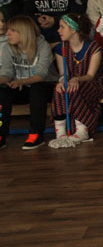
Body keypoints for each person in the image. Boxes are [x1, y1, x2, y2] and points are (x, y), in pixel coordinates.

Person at [0, 15, 58, 150]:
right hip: (21, 87)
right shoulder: (8, 47)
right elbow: (7, 73)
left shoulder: (42, 46)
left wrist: (21, 81)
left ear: (23, 32)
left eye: (12, 31)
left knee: (37, 88)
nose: (7, 33)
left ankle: (36, 134)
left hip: (45, 87)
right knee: (2, 91)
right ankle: (1, 135)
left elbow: (41, 75)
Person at [49, 13, 103, 147]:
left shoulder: (93, 48)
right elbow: (63, 73)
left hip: (90, 84)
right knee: (60, 89)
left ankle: (82, 129)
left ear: (73, 29)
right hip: (71, 82)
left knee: (75, 87)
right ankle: (60, 132)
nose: (59, 30)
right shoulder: (61, 48)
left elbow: (90, 76)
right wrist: (62, 81)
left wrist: (76, 79)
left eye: (62, 27)